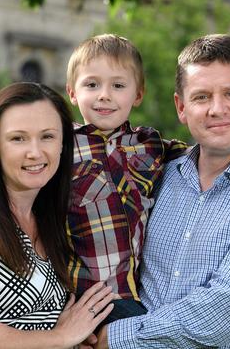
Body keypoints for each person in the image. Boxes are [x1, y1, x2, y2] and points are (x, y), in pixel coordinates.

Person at [94, 34, 230, 348]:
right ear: (181, 107)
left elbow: (223, 311)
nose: (217, 109)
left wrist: (113, 338)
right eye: (201, 97)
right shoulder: (156, 176)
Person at [0, 82, 115, 348]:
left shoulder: (49, 220)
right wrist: (62, 336)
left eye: (47, 136)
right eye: (18, 138)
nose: (35, 152)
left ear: (63, 144)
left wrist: (74, 337)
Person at [64, 34, 187, 324]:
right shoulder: (60, 145)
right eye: (91, 84)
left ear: (138, 94)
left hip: (136, 294)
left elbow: (204, 156)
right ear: (72, 92)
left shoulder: (151, 145)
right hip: (84, 296)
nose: (104, 94)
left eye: (118, 86)